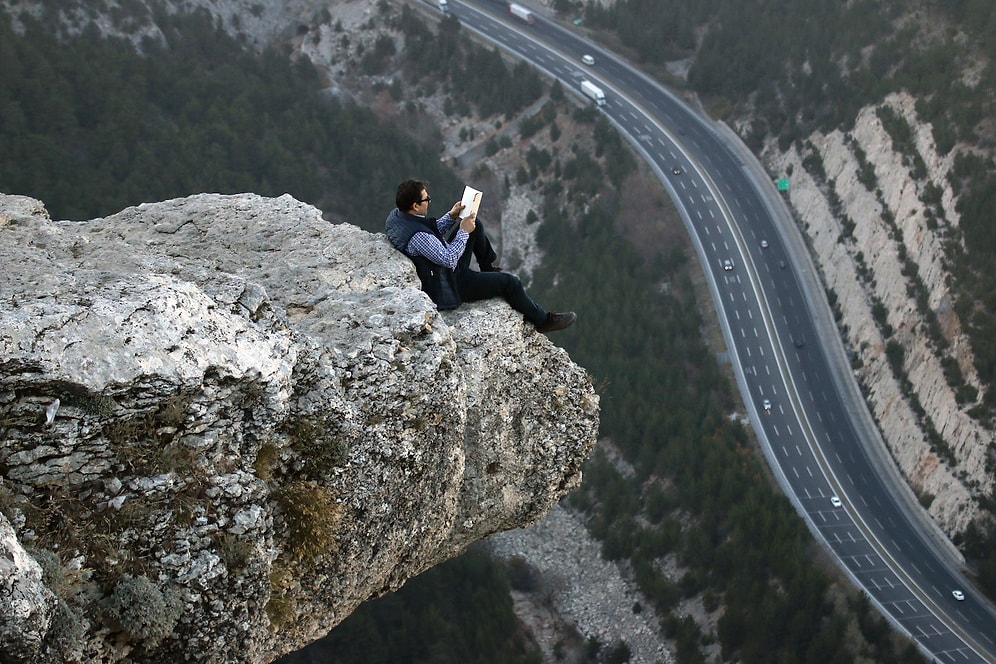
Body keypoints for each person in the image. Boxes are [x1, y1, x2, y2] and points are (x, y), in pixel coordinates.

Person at [385, 178, 576, 333]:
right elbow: (449, 259)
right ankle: (543, 321)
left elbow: (431, 236)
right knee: (511, 283)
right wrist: (463, 231)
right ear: (415, 206)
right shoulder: (418, 236)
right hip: (450, 282)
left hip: (441, 269)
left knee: (476, 226)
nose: (429, 201)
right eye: (426, 199)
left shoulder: (399, 217)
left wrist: (451, 216)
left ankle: (487, 268)